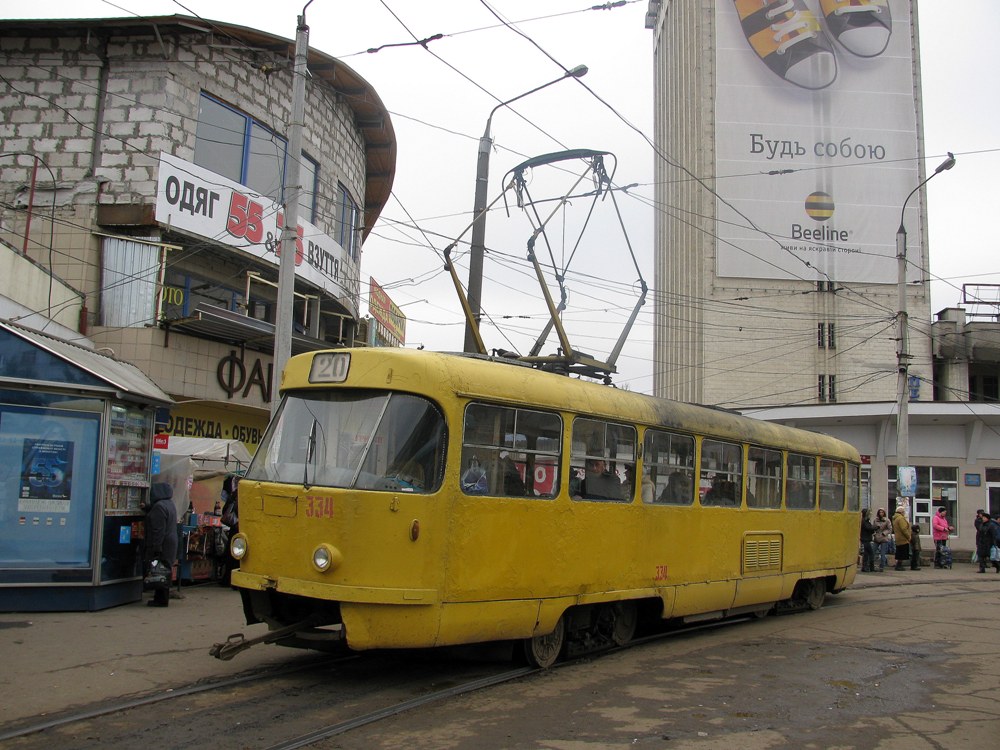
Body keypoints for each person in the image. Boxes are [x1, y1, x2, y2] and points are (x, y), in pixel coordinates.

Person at [145, 481, 178, 607]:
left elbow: (158, 530)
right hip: (171, 542)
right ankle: (163, 597)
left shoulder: (159, 507)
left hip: (163, 543)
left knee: (159, 570)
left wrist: (156, 547)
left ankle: (160, 599)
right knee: (165, 569)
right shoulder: (169, 504)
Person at [219, 475, 240, 585]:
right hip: (239, 528)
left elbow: (225, 510)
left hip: (235, 528)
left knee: (231, 554)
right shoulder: (240, 495)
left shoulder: (234, 496)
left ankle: (228, 579)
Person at [891, 504, 911, 571]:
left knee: (899, 552)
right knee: (902, 553)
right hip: (903, 538)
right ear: (901, 512)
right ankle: (899, 565)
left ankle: (898, 565)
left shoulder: (895, 518)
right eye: (904, 512)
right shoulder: (901, 518)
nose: (904, 513)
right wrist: (908, 536)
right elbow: (904, 529)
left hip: (898, 537)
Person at [872, 508, 891, 572]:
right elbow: (873, 528)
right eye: (880, 512)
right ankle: (871, 565)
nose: (881, 513)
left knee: (883, 553)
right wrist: (874, 534)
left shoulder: (887, 520)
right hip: (877, 537)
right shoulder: (875, 520)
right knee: (873, 552)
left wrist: (884, 533)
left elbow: (890, 529)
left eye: (882, 512)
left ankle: (882, 566)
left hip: (883, 538)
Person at [859, 508, 876, 572]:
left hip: (866, 538)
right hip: (865, 539)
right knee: (871, 553)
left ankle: (865, 567)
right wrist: (875, 528)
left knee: (866, 553)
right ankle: (871, 567)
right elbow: (868, 528)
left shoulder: (866, 521)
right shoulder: (864, 521)